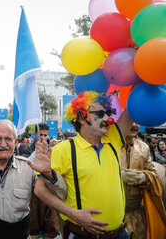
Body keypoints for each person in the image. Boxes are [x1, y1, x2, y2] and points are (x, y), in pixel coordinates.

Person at [31, 91, 133, 239]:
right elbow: (39, 190)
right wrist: (75, 215)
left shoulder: (113, 139)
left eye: (108, 113)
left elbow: (132, 106)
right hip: (82, 235)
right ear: (82, 117)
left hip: (119, 234)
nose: (108, 118)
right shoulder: (65, 149)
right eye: (100, 113)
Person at [120, 123, 166, 239]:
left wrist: (145, 177)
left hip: (137, 215)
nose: (134, 125)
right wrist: (117, 176)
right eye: (129, 120)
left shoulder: (144, 147)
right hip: (112, 216)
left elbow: (154, 174)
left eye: (136, 120)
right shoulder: (106, 145)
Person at [21, 123, 59, 239]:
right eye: (40, 135)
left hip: (49, 191)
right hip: (32, 192)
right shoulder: (27, 150)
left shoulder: (52, 150)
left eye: (45, 135)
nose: (43, 138)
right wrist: (38, 151)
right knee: (33, 226)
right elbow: (24, 167)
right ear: (35, 135)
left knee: (50, 225)